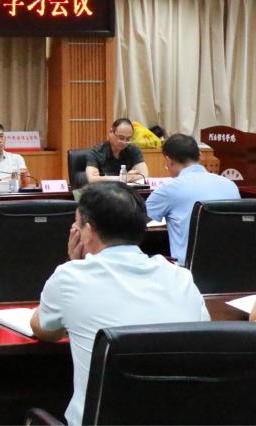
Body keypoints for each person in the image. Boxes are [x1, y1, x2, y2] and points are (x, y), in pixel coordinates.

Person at [30, 182, 209, 426]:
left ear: (88, 231)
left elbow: (45, 330)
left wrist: (74, 264)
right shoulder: (181, 278)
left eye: (77, 225)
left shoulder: (70, 277)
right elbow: (202, 333)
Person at [145, 133, 240, 265]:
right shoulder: (230, 185)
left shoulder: (169, 188)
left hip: (187, 271)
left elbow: (136, 221)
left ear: (169, 160)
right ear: (199, 156)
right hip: (231, 267)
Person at [85, 118, 149, 183]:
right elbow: (92, 179)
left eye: (128, 139)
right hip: (105, 189)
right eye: (121, 138)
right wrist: (124, 177)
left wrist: (104, 178)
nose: (124, 142)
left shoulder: (133, 150)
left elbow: (144, 175)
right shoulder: (96, 152)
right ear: (111, 132)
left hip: (126, 189)